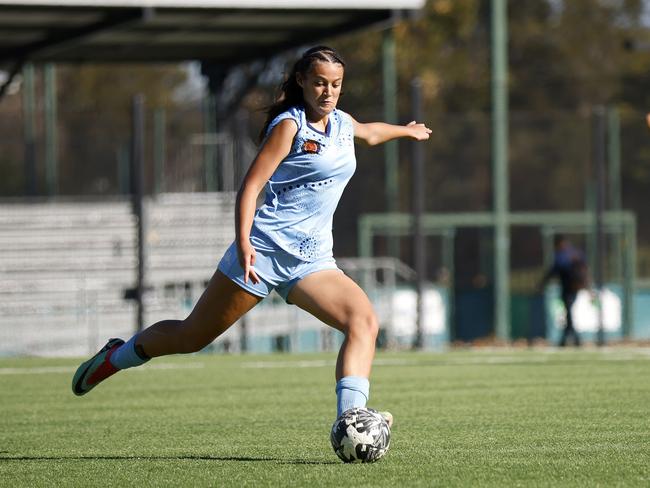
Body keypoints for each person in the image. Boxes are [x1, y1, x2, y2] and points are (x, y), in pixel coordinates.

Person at [71, 46, 432, 425]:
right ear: (302, 82)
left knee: (363, 322)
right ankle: (116, 356)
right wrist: (244, 242)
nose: (328, 92)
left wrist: (404, 131)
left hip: (312, 262)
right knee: (190, 337)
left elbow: (370, 134)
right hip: (264, 252)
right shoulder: (290, 126)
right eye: (320, 83)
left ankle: (350, 420)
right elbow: (250, 187)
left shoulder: (342, 123)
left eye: (336, 85)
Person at [539, 235, 589, 347]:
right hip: (576, 286)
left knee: (569, 313)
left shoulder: (562, 255)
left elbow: (555, 269)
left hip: (568, 287)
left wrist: (543, 283)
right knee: (569, 313)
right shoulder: (576, 252)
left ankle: (572, 340)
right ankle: (570, 340)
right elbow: (585, 267)